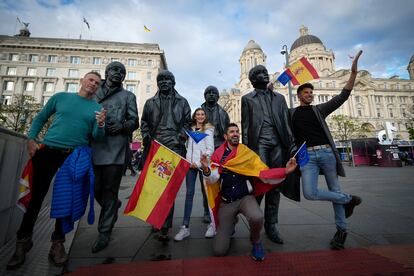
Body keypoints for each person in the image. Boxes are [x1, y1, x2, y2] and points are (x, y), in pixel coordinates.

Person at [7, 72, 106, 270]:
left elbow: (97, 137)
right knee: (36, 198)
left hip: (73, 157)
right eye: (90, 80)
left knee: (65, 201)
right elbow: (41, 118)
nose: (93, 84)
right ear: (81, 81)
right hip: (48, 152)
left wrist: (101, 124)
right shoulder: (60, 97)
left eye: (97, 83)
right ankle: (22, 242)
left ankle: (57, 244)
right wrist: (32, 139)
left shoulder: (97, 109)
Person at [291, 50, 363, 249]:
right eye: (306, 93)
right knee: (310, 192)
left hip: (326, 153)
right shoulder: (291, 113)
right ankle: (348, 200)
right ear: (299, 95)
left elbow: (342, 97)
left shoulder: (319, 109)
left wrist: (353, 74)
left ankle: (341, 231)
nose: (310, 95)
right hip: (307, 158)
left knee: (334, 189)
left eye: (311, 93)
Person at [200, 123, 297, 261]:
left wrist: (285, 171)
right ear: (226, 136)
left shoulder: (247, 153)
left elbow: (262, 172)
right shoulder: (217, 155)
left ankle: (256, 241)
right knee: (219, 250)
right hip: (227, 203)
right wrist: (206, 169)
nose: (235, 134)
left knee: (257, 217)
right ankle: (232, 220)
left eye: (237, 132)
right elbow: (212, 179)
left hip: (245, 198)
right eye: (232, 132)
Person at [241, 65, 299, 244]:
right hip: (259, 143)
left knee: (275, 185)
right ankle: (255, 221)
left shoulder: (279, 98)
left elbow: (286, 122)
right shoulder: (247, 99)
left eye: (265, 72)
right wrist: (247, 152)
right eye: (260, 73)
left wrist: (291, 144)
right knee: (260, 181)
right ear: (253, 79)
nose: (265, 74)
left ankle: (271, 224)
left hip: (278, 144)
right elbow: (245, 127)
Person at [91, 61, 139, 253]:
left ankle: (104, 231)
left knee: (110, 190)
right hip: (92, 146)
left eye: (122, 71)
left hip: (115, 148)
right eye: (114, 70)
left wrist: (123, 126)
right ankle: (113, 207)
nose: (118, 73)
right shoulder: (94, 91)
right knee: (95, 189)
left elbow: (134, 120)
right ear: (107, 72)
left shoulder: (128, 96)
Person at [140, 69, 191, 241]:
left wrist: (180, 136)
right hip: (156, 145)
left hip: (174, 147)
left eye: (167, 80)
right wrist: (146, 136)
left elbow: (187, 123)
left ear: (173, 83)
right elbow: (145, 122)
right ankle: (155, 219)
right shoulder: (150, 102)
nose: (164, 83)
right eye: (161, 80)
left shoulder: (182, 102)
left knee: (168, 189)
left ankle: (165, 224)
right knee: (154, 187)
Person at [174, 108, 215, 241]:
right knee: (189, 194)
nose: (200, 116)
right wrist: (188, 161)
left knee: (208, 194)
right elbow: (188, 147)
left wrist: (197, 163)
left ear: (205, 116)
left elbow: (210, 150)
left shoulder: (209, 129)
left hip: (202, 165)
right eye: (198, 114)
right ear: (194, 116)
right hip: (189, 166)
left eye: (202, 114)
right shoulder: (190, 129)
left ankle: (212, 225)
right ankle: (185, 227)